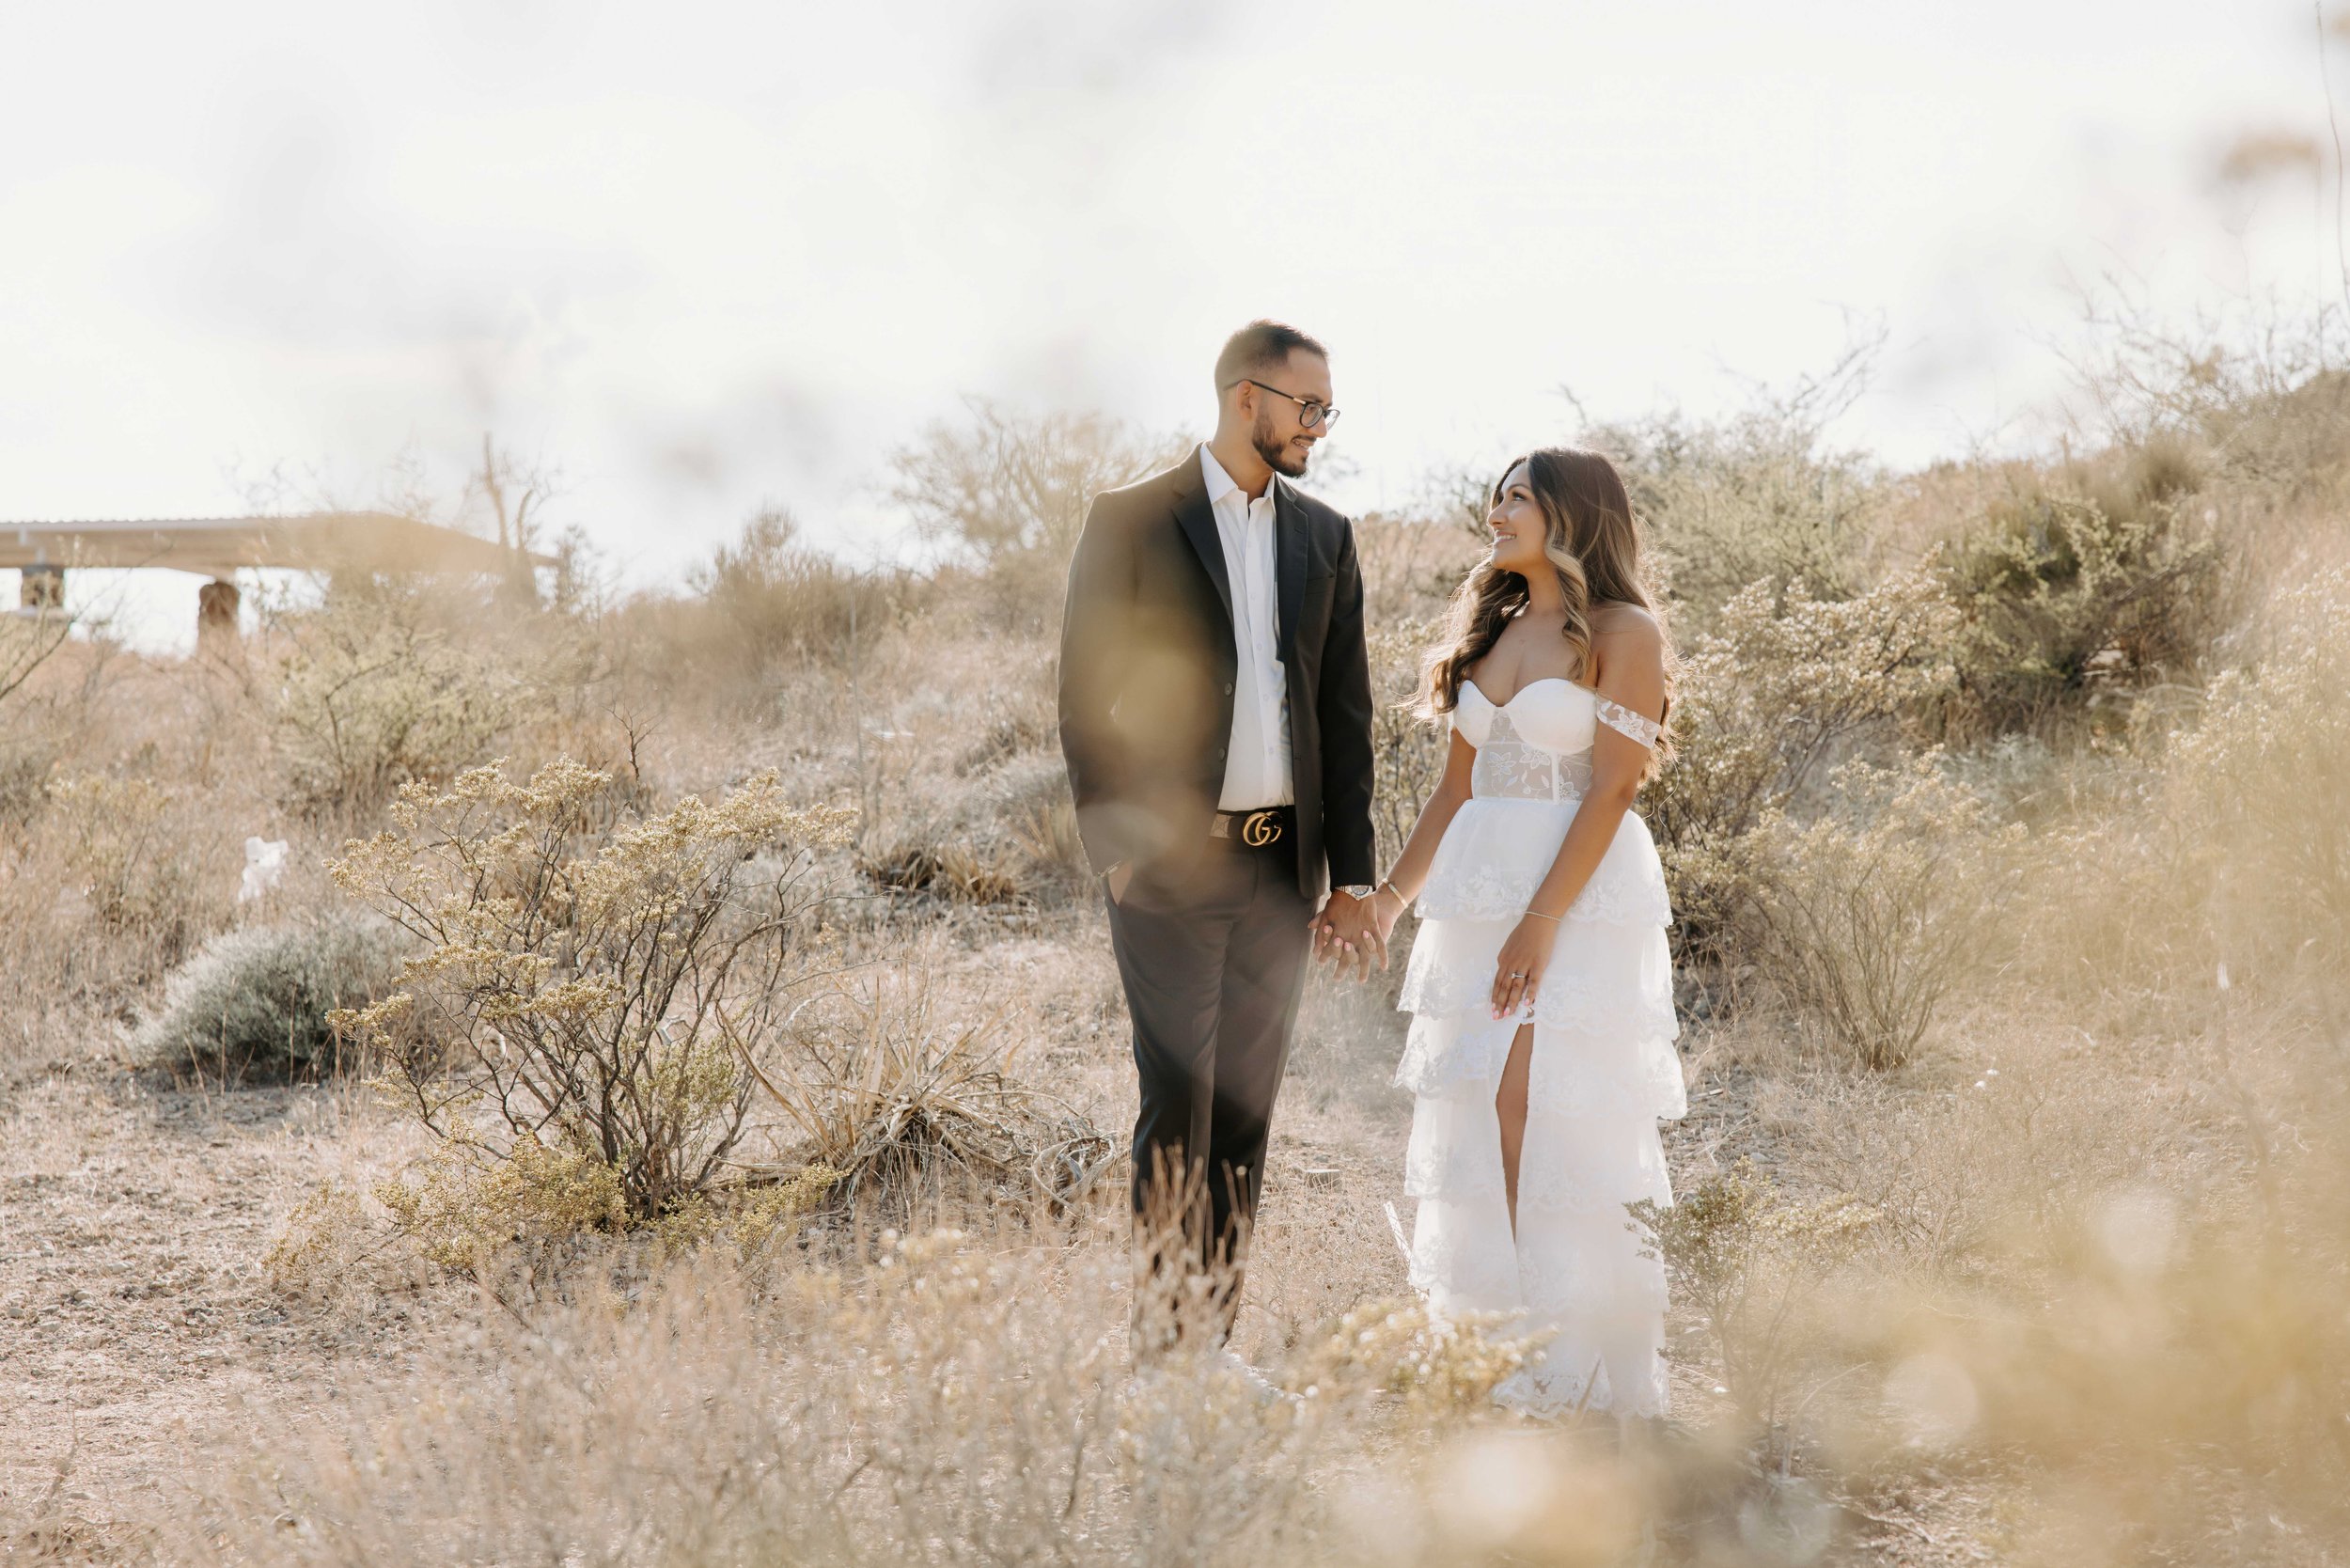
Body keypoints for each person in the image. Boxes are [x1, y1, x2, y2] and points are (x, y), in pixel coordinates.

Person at [1057, 320, 1383, 1363]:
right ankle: (1160, 1357)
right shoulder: (1133, 520)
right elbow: (1084, 697)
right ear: (1247, 399)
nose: (1320, 428)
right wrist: (1121, 848)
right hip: (1168, 868)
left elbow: (1345, 720)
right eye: (1308, 406)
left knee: (1244, 1118)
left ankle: (1211, 1349)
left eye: (1327, 410)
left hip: (1281, 874)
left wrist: (1352, 879)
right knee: (1178, 1106)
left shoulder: (1326, 537)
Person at [1338, 447, 1685, 1419]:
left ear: (1572, 515)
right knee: (1480, 1104)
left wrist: (1539, 925)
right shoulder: (1492, 632)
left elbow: (1615, 785)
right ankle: (1495, 1340)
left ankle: (1578, 1353)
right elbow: (1456, 791)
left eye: (1518, 499)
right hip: (1478, 899)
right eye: (1494, 497)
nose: (1495, 512)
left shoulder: (1623, 630)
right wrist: (1388, 904)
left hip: (1568, 894)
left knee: (1547, 1106)